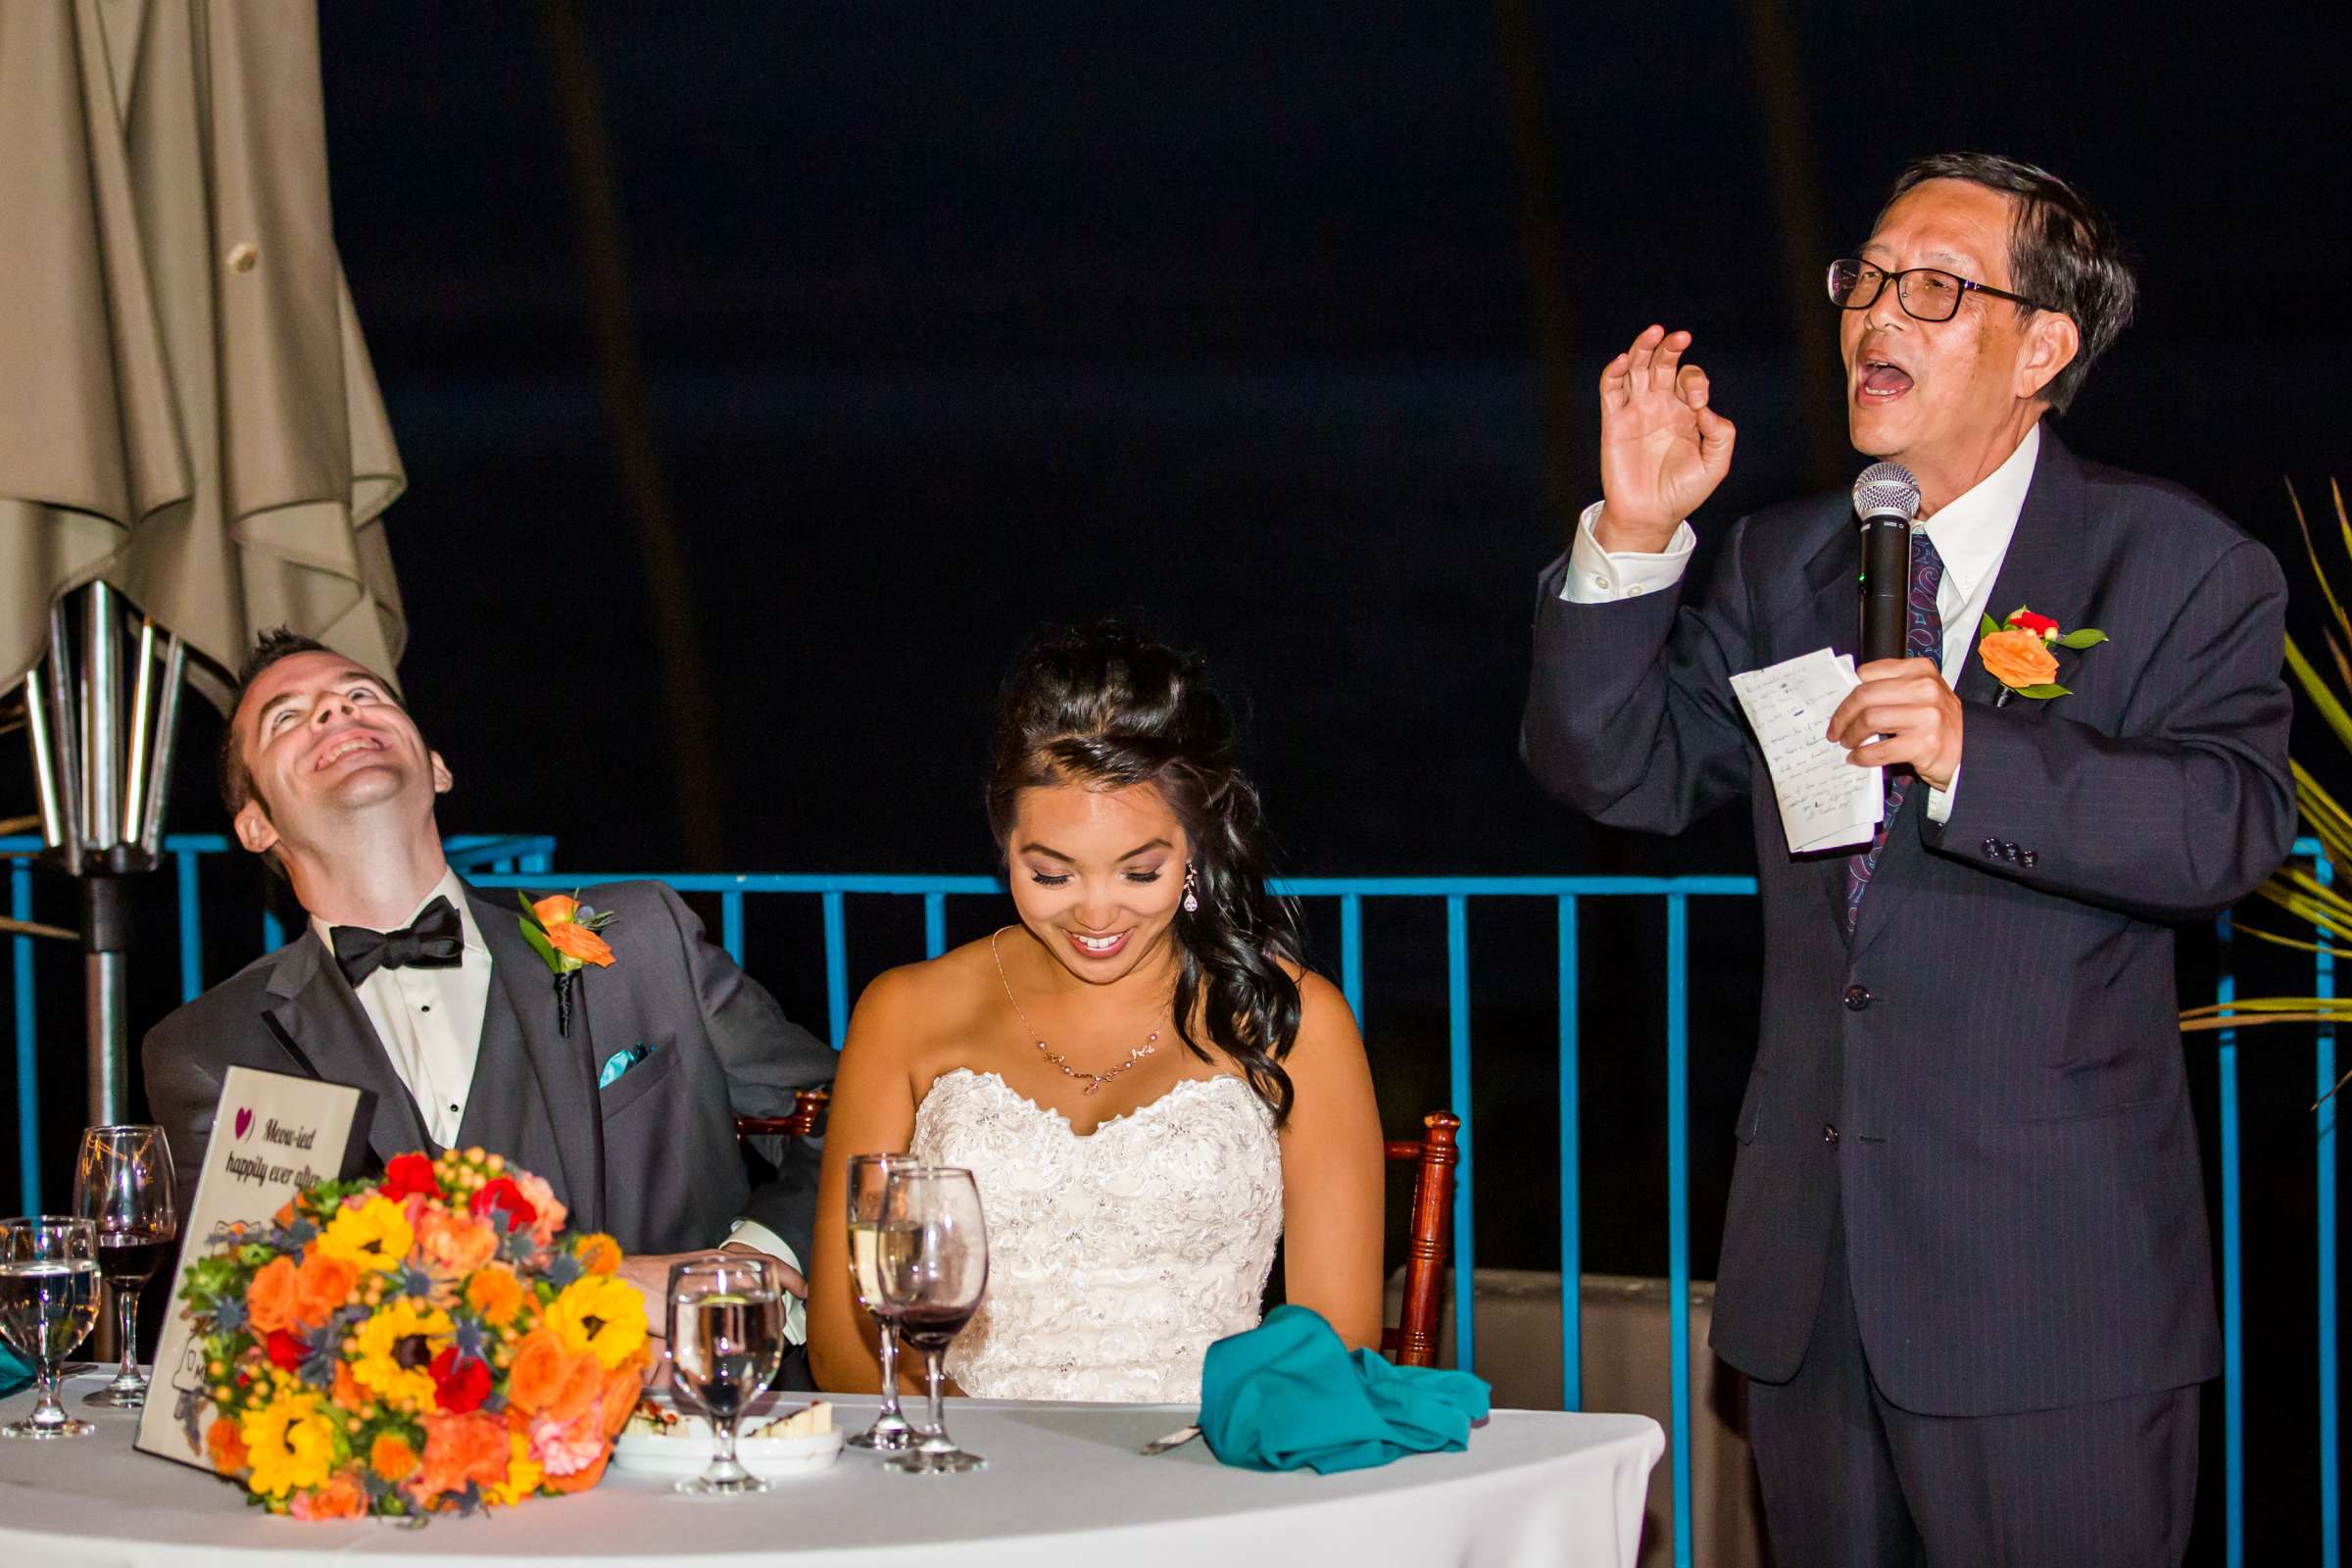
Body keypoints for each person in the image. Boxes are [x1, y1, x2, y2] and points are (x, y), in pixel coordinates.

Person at [1522, 154, 2293, 1564]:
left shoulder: (2174, 562)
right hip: (1811, 1278)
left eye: (1935, 289)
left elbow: (2227, 829)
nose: (1880, 315)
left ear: (2044, 348)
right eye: (1865, 280)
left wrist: (1969, 755)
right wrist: (1634, 539)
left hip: (2052, 1294)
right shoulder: (1780, 564)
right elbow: (1616, 772)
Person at [142, 630, 838, 1364]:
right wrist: (592, 1289)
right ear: (254, 826)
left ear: (437, 768)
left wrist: (751, 1266)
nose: (333, 714)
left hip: (702, 1422)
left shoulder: (641, 935)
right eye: (287, 718)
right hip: (406, 1458)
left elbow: (846, 1116)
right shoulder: (214, 1048)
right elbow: (263, 1303)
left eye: (361, 696)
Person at [808, 623, 1382, 1401]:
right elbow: (847, 1346)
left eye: (1140, 872)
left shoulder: (1294, 1019)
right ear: (1004, 844)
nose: (1097, 912)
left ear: (1194, 851)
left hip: (1209, 1473)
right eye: (1051, 875)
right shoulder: (904, 1013)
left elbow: (1334, 1344)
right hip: (965, 1477)